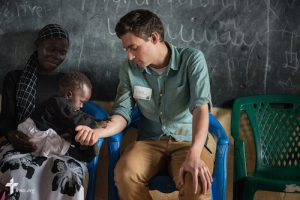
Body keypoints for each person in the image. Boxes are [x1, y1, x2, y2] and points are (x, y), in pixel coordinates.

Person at [76, 9, 216, 200]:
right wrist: (98, 132)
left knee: (197, 181)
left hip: (189, 141)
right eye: (126, 49)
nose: (130, 56)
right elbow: (122, 114)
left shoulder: (192, 60)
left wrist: (194, 153)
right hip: (149, 143)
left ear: (154, 37)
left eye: (133, 47)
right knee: (125, 173)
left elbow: (201, 108)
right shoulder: (129, 69)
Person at [0, 24, 88, 200]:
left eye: (62, 52)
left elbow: (75, 117)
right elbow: (6, 120)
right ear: (38, 45)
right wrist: (12, 135)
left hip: (59, 148)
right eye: (50, 48)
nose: (56, 55)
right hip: (21, 145)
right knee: (14, 169)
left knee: (71, 173)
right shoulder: (15, 78)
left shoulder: (69, 84)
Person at [18, 71, 102, 162]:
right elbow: (76, 117)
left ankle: (84, 153)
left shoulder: (60, 106)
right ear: (69, 95)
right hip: (34, 133)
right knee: (62, 146)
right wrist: (97, 123)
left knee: (68, 136)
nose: (81, 106)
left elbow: (77, 117)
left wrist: (95, 120)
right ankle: (81, 156)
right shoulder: (58, 103)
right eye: (81, 102)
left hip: (39, 132)